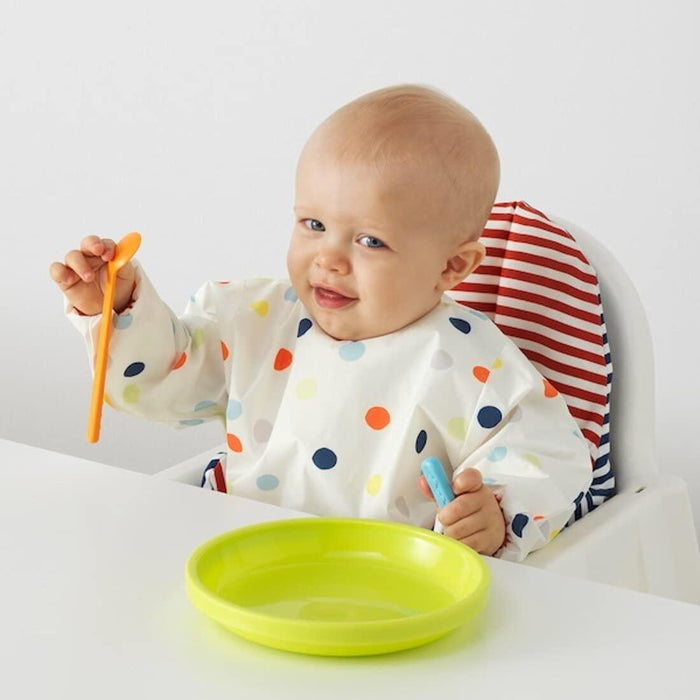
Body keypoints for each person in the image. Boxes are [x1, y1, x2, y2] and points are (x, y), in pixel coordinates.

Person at [49, 84, 591, 561]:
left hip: (389, 583)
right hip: (245, 560)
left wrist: (497, 512)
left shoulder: (471, 361)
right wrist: (115, 310)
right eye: (313, 223)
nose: (327, 258)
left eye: (370, 240)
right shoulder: (253, 320)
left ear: (452, 267)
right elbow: (162, 383)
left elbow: (550, 456)